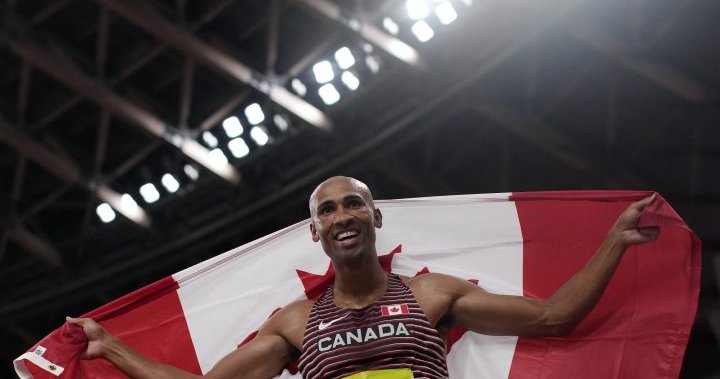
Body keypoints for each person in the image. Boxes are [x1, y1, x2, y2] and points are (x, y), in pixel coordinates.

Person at [67, 176, 660, 379]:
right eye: (327, 211)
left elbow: (555, 318)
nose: (341, 215)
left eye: (352, 204)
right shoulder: (296, 324)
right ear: (315, 233)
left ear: (375, 218)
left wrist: (614, 241)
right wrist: (110, 346)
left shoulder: (431, 294)